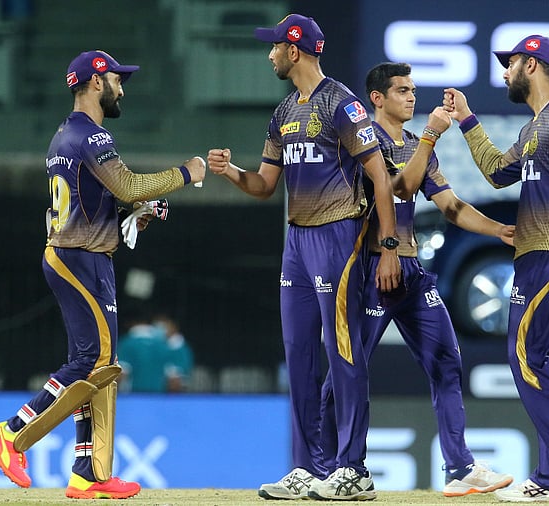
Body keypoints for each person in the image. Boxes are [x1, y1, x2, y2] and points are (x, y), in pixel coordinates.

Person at [0, 50, 206, 499]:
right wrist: (187, 172)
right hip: (79, 257)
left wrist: (129, 215)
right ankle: (11, 432)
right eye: (118, 80)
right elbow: (128, 185)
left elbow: (92, 202)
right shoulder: (93, 135)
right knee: (94, 361)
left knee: (99, 366)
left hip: (79, 254)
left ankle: (89, 472)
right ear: (97, 81)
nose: (123, 89)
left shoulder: (65, 133)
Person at [207, 14, 401, 501]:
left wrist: (389, 246)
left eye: (274, 46)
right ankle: (308, 468)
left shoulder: (342, 103)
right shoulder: (282, 113)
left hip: (338, 236)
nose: (269, 54)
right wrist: (231, 172)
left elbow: (380, 176)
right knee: (298, 354)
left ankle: (352, 468)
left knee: (342, 352)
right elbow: (265, 186)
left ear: (294, 51)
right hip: (296, 242)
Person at [318, 62, 516, 497]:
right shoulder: (360, 142)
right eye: (402, 90)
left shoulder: (414, 144)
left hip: (410, 273)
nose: (411, 97)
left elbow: (450, 205)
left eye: (412, 90)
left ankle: (459, 467)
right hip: (370, 270)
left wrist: (497, 230)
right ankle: (327, 466)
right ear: (377, 98)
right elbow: (399, 189)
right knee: (346, 370)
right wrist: (430, 137)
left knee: (446, 362)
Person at [443, 35, 549, 502]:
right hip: (537, 255)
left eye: (512, 63)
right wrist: (467, 120)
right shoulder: (535, 126)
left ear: (533, 66)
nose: (505, 72)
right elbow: (497, 172)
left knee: (526, 355)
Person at [152, 314, 194, 392]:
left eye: (163, 327)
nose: (159, 330)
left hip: (175, 393)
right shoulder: (162, 346)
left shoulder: (180, 348)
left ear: (173, 327)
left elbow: (177, 380)